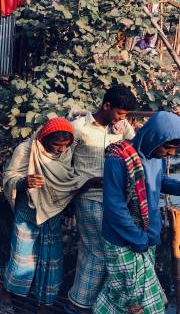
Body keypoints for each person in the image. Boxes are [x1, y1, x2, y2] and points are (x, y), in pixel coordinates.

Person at [0, 117, 91, 313]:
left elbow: (67, 180)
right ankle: (6, 293)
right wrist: (25, 182)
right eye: (57, 145)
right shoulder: (26, 150)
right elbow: (9, 176)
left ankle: (43, 304)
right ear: (45, 138)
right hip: (28, 213)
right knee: (21, 259)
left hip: (53, 216)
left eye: (65, 146)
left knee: (51, 262)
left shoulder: (66, 155)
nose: (61, 150)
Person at [94, 112, 180, 313]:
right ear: (153, 137)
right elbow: (115, 206)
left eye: (175, 149)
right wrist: (137, 238)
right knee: (136, 301)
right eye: (168, 146)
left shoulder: (155, 157)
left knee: (126, 294)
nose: (171, 153)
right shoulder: (118, 159)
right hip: (122, 239)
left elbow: (158, 182)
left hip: (148, 236)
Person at [66, 85, 138, 313]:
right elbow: (63, 163)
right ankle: (77, 306)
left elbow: (133, 151)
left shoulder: (122, 127)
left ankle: (93, 303)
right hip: (88, 196)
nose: (122, 119)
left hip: (116, 200)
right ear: (106, 106)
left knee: (96, 250)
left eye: (125, 115)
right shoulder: (78, 128)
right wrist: (80, 185)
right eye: (119, 113)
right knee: (98, 251)